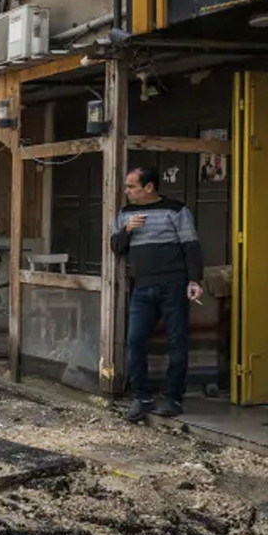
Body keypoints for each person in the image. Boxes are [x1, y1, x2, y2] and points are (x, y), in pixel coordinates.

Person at [111, 167, 204, 423]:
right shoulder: (126, 213)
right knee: (135, 341)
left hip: (174, 285)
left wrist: (194, 280)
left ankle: (173, 398)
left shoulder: (176, 210)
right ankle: (142, 397)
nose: (127, 191)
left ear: (149, 187)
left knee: (177, 341)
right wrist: (127, 229)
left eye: (132, 186)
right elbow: (116, 247)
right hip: (141, 287)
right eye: (127, 186)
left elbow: (191, 246)